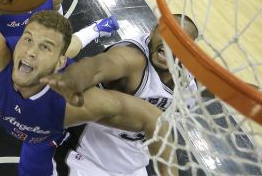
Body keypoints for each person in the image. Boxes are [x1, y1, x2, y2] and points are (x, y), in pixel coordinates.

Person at [0, 0, 175, 176]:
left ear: (60, 62)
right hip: (4, 77)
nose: (30, 52)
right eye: (26, 40)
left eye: (45, 47)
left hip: (42, 138)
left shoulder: (74, 104)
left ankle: (92, 30)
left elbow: (154, 118)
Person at [46, 14, 198, 176]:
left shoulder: (188, 83)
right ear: (153, 31)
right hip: (85, 161)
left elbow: (163, 134)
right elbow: (103, 65)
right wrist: (77, 77)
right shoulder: (133, 59)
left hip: (134, 167)